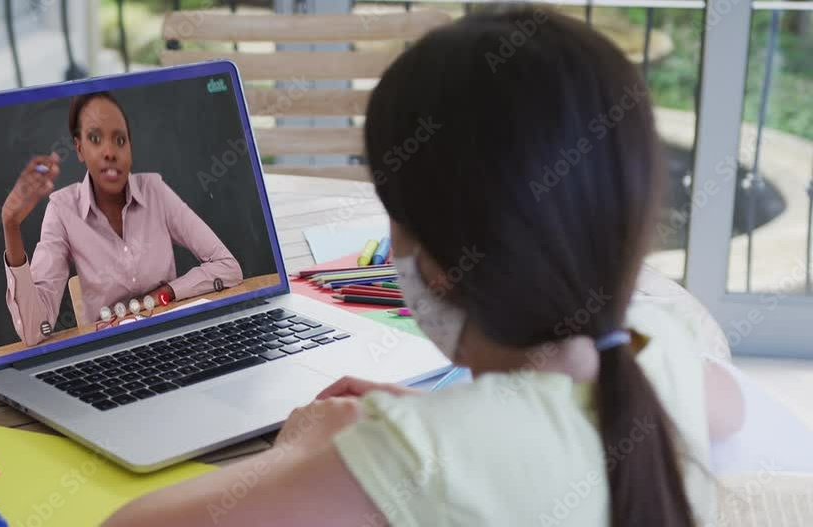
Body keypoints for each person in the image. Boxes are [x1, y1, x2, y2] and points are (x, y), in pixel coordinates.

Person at [103, 8, 742, 526]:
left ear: (439, 264)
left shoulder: (417, 459)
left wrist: (305, 451)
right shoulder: (665, 358)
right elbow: (725, 407)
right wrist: (441, 416)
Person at [1, 91, 242, 346]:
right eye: (95, 139)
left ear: (130, 147)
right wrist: (11, 226)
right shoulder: (62, 210)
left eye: (120, 140)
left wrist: (167, 293)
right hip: (107, 354)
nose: (110, 152)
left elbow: (228, 267)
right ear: (80, 148)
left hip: (172, 341)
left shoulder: (155, 190)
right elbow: (34, 331)